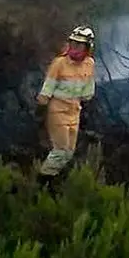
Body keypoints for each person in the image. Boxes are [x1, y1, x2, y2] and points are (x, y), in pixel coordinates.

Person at [36, 26, 96, 180]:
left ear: (88, 47)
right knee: (60, 150)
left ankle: (51, 178)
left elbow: (88, 93)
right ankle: (42, 181)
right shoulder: (59, 63)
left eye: (79, 44)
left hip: (74, 111)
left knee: (69, 152)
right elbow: (46, 90)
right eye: (73, 43)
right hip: (58, 110)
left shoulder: (89, 63)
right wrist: (41, 111)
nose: (75, 47)